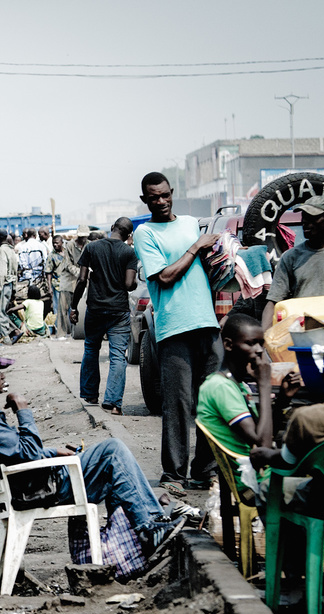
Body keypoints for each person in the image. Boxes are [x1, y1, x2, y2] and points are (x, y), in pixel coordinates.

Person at [0, 346, 185, 561]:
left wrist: (52, 451)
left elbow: (17, 453)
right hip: (40, 487)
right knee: (113, 452)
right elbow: (27, 455)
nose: (3, 375)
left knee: (111, 461)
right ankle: (147, 528)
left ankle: (146, 528)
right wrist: (23, 410)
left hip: (34, 481)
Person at [133, 171, 221, 498]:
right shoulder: (145, 233)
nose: (160, 201)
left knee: (211, 401)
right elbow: (166, 276)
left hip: (207, 323)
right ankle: (174, 473)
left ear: (172, 192)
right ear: (145, 200)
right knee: (178, 403)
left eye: (164, 195)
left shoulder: (188, 223)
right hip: (174, 327)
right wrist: (198, 246)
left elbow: (205, 268)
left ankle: (204, 470)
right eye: (153, 197)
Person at [198, 314, 301, 498]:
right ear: (229, 345)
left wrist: (283, 400)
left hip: (260, 474)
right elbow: (263, 445)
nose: (259, 350)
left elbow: (265, 433)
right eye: (251, 343)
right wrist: (264, 384)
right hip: (253, 483)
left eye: (261, 343)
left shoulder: (234, 384)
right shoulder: (220, 387)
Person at [71, 218, 138, 414]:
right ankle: (114, 403)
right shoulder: (129, 252)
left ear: (112, 229)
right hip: (119, 310)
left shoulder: (92, 248)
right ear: (128, 235)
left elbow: (82, 279)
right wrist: (133, 284)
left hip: (95, 309)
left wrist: (74, 307)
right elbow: (128, 285)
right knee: (118, 356)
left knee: (91, 349)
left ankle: (91, 395)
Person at [261, 195, 324, 330]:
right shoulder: (291, 257)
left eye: (313, 217)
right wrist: (266, 338)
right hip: (303, 332)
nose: (305, 222)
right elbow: (274, 301)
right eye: (304, 216)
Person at [58, 226, 89, 336]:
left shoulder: (89, 245)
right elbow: (68, 264)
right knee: (63, 306)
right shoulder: (70, 245)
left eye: (84, 237)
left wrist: (85, 273)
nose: (83, 239)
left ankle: (81, 330)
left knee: (85, 303)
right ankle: (62, 333)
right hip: (70, 277)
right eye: (81, 237)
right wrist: (80, 272)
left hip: (84, 276)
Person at [0, 229, 18, 344]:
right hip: (10, 285)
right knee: (4, 311)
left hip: (3, 285)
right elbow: (15, 271)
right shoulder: (11, 251)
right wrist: (14, 288)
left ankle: (5, 337)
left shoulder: (1, 251)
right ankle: (14, 332)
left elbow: (0, 273)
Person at [46, 235, 66, 332]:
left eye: (57, 243)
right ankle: (59, 329)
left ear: (62, 242)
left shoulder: (68, 252)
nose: (55, 245)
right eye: (53, 243)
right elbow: (48, 273)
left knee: (69, 307)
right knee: (57, 308)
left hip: (69, 284)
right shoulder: (51, 256)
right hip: (57, 285)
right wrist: (49, 287)